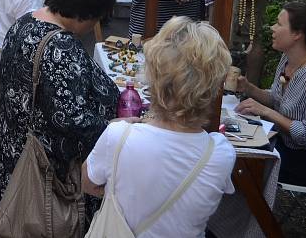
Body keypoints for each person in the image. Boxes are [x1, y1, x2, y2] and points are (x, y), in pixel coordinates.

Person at [83, 16, 237, 237]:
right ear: (215, 84)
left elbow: (88, 182)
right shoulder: (221, 153)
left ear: (153, 76)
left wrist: (117, 191)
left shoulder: (119, 136)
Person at [0, 0, 119, 211]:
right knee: (41, 221)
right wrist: (115, 128)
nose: (94, 26)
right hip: (46, 166)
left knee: (15, 214)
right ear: (83, 15)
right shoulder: (62, 48)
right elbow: (71, 118)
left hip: (17, 146)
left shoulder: (24, 23)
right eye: (95, 19)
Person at [236, 2, 306, 187]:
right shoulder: (287, 59)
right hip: (288, 145)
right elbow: (277, 98)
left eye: (279, 24)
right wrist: (248, 87)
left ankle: (255, 214)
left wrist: (266, 112)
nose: (272, 27)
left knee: (244, 166)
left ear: (297, 34)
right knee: (240, 148)